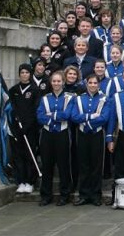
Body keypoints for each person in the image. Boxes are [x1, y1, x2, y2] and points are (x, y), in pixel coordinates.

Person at [69, 73, 111, 206]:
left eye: (95, 83)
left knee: (96, 165)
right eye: (90, 83)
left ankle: (95, 195)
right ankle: (84, 194)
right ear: (86, 84)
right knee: (83, 164)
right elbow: (74, 116)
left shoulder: (104, 99)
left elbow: (104, 117)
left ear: (99, 85)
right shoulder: (79, 99)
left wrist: (86, 120)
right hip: (82, 134)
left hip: (97, 134)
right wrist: (91, 117)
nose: (93, 85)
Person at [36, 71, 73, 206]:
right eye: (54, 81)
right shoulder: (45, 98)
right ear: (51, 83)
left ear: (63, 82)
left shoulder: (70, 97)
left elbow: (67, 115)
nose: (56, 83)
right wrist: (53, 120)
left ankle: (65, 195)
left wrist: (50, 115)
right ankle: (46, 195)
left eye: (59, 81)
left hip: (62, 134)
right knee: (47, 165)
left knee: (63, 165)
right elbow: (40, 116)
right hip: (47, 134)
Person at [8, 64, 41, 194]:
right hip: (17, 129)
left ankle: (30, 181)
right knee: (18, 156)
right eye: (22, 72)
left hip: (30, 129)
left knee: (30, 155)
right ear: (19, 74)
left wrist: (27, 126)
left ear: (30, 74)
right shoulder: (13, 90)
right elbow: (11, 109)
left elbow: (35, 110)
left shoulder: (35, 90)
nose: (24, 74)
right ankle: (21, 181)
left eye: (27, 72)